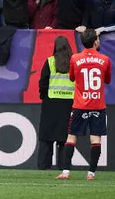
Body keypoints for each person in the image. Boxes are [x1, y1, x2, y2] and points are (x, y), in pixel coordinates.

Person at [59, 29, 111, 181]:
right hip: (98, 105)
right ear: (95, 42)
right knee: (95, 139)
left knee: (71, 137)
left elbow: (71, 78)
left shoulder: (75, 58)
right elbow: (107, 80)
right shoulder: (105, 59)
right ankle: (91, 174)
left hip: (80, 105)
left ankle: (66, 172)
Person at [36, 35, 73, 171]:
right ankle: (63, 166)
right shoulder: (74, 62)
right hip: (69, 103)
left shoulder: (50, 61)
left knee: (46, 136)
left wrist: (43, 96)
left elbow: (43, 82)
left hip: (50, 103)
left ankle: (43, 165)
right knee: (64, 137)